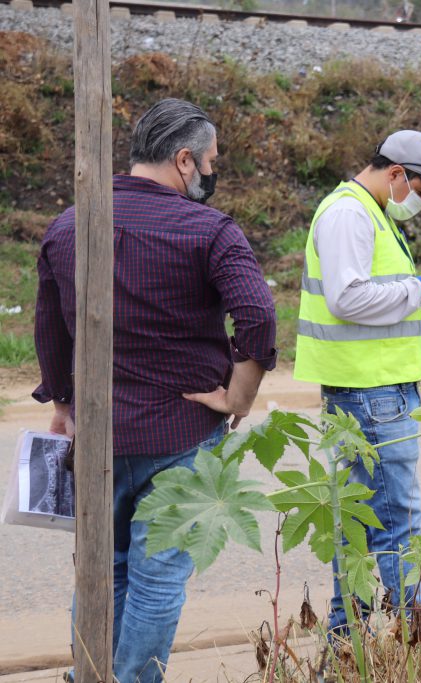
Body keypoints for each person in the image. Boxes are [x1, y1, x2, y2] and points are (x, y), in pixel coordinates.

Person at [34, 98, 277, 683]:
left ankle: (89, 676)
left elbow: (50, 326)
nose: (212, 173)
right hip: (180, 435)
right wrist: (239, 397)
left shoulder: (68, 225)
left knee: (101, 569)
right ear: (185, 160)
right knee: (158, 577)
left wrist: (64, 405)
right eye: (211, 161)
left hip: (99, 432)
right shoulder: (210, 230)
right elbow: (259, 316)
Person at [293, 130, 421, 633]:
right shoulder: (350, 214)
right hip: (371, 392)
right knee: (396, 520)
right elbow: (348, 299)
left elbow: (375, 298)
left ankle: (347, 639)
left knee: (360, 521)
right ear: (396, 173)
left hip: (374, 388)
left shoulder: (372, 212)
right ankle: (415, 636)